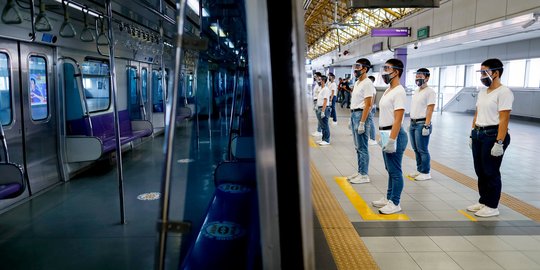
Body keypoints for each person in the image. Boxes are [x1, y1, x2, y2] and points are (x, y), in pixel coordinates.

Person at [467, 58, 513, 218]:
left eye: (484, 72)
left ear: (496, 73)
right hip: (479, 133)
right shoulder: (482, 92)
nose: (482, 76)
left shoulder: (504, 92)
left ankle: (492, 206)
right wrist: (472, 133)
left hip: (492, 135)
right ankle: (483, 201)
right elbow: (477, 113)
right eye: (480, 72)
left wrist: (499, 142)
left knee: (490, 171)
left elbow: (504, 119)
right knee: (480, 170)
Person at [371, 58, 408, 215]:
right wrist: (383, 136)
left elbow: (398, 119)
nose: (384, 72)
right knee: (389, 168)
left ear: (396, 72)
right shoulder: (388, 90)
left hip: (395, 134)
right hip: (387, 133)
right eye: (384, 69)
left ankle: (395, 202)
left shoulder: (399, 91)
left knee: (395, 170)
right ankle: (389, 198)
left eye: (387, 69)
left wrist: (392, 139)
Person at [347, 58, 375, 184]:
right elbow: (355, 101)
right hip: (354, 114)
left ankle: (364, 175)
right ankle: (360, 171)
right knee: (357, 147)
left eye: (358, 67)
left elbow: (368, 105)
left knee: (362, 147)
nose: (355, 69)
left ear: (365, 69)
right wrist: (350, 118)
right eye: (355, 66)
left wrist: (362, 122)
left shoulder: (367, 83)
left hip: (361, 115)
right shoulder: (358, 82)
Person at [407, 68, 436, 181]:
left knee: (422, 149)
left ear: (427, 78)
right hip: (413, 123)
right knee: (415, 149)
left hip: (422, 123)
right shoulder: (417, 91)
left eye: (420, 76)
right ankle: (419, 169)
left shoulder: (430, 92)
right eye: (416, 76)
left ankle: (426, 172)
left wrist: (427, 125)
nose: (418, 78)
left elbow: (430, 109)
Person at [315, 75, 331, 145]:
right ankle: (323, 139)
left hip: (323, 108)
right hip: (319, 108)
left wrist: (323, 111)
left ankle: (326, 140)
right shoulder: (321, 89)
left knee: (325, 125)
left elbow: (325, 100)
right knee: (322, 125)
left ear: (323, 81)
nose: (319, 81)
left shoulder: (326, 89)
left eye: (320, 80)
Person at [367, 75, 378, 145]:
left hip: (371, 107)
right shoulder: (369, 88)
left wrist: (370, 108)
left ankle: (373, 138)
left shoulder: (372, 88)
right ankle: (370, 137)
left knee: (371, 123)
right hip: (369, 107)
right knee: (368, 123)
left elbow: (373, 99)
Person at [311, 72, 323, 137]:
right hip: (315, 101)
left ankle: (319, 131)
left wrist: (317, 103)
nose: (314, 77)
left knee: (319, 118)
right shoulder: (316, 84)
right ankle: (319, 130)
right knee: (318, 117)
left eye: (315, 76)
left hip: (318, 101)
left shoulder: (320, 84)